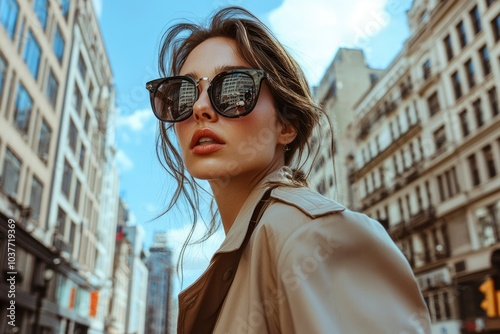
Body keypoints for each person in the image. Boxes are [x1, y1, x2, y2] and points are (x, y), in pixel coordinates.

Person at [146, 6, 431, 334]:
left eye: (234, 89)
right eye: (182, 94)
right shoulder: (252, 251)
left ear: (287, 125)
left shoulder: (312, 236)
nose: (199, 108)